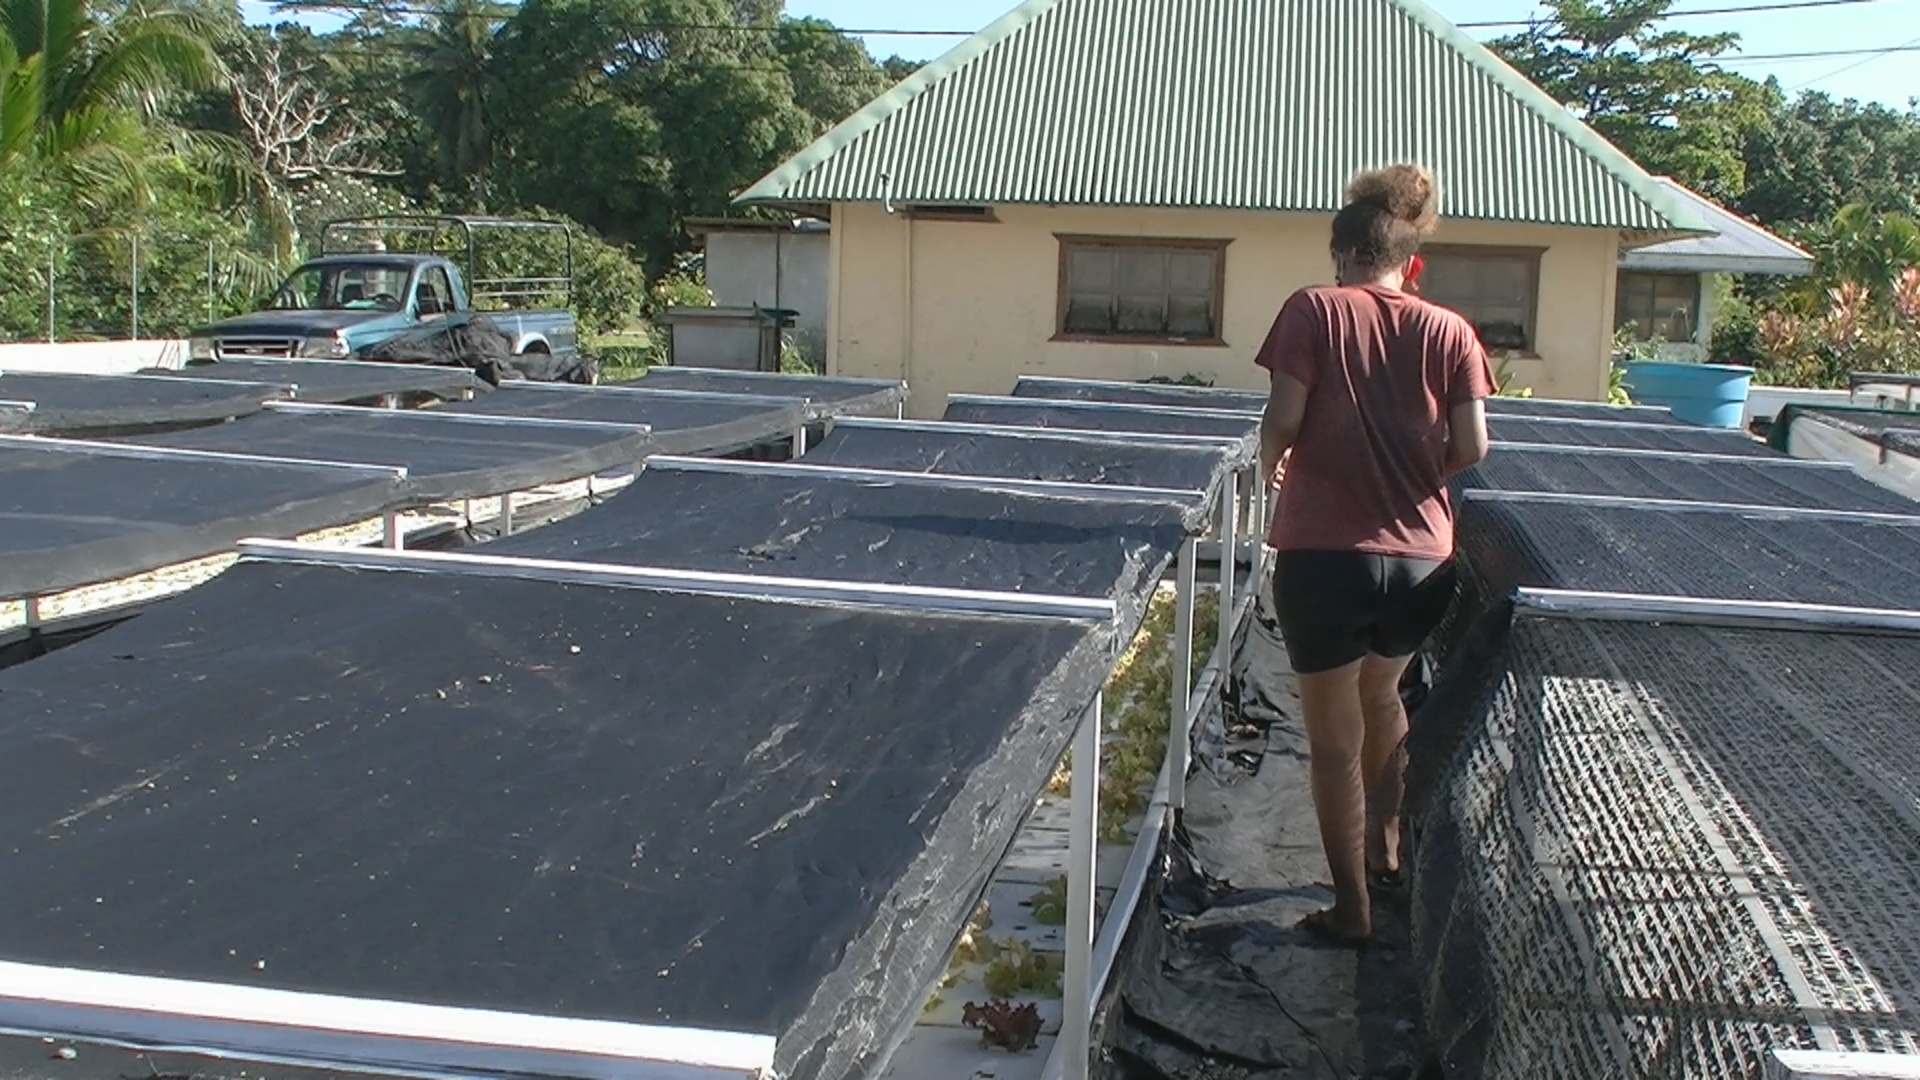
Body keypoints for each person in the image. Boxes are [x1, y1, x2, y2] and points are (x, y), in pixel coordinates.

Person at [1253, 164, 1494, 946]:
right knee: (1384, 695)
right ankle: (1389, 846)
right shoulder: (1451, 329)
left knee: (1331, 746)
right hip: (1423, 561)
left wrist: (1272, 464)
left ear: (1341, 252)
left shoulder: (1312, 310)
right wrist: (1420, 481)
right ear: (1410, 262)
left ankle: (1351, 910)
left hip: (1325, 555)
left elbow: (1283, 419)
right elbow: (1472, 446)